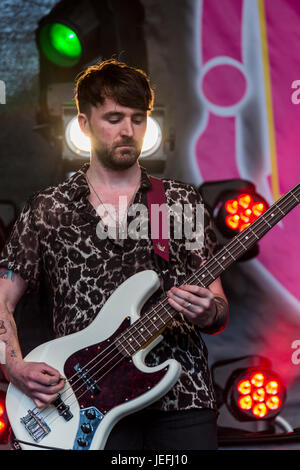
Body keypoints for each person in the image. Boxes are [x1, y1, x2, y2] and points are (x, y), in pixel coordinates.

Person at [0, 59, 228, 450]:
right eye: (114, 118)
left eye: (138, 119)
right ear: (84, 124)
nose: (127, 130)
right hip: (85, 404)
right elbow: (1, 300)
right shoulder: (48, 209)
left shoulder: (179, 201)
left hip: (182, 398)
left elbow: (218, 305)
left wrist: (210, 311)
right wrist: (13, 366)